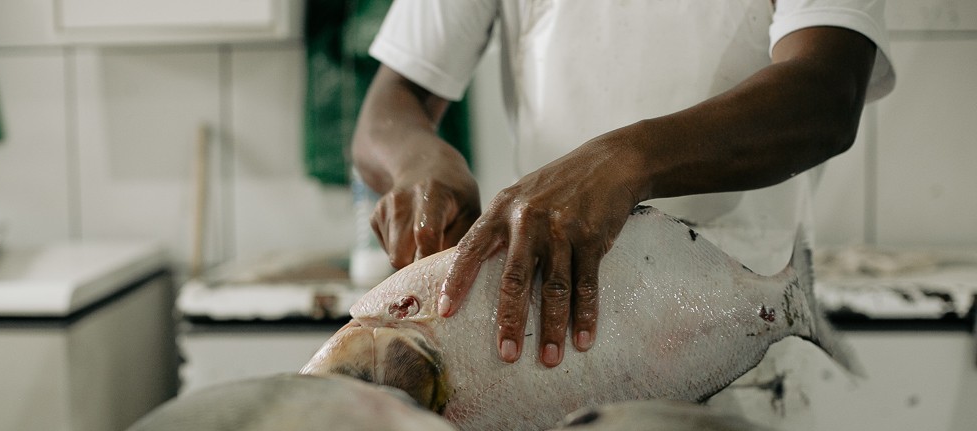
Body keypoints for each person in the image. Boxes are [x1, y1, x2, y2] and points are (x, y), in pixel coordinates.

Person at [351, 0, 895, 369]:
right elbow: (389, 106)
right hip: (550, 342)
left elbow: (827, 90)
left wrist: (621, 163)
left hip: (744, 346)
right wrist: (419, 163)